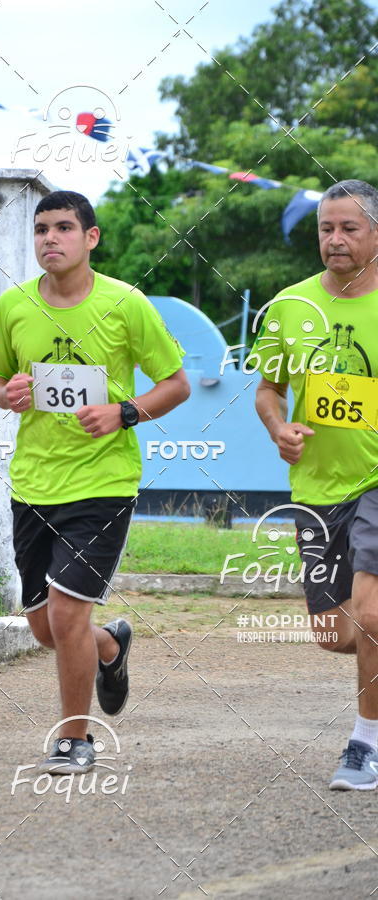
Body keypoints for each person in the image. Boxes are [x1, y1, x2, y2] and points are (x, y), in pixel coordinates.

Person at [0, 190, 190, 774]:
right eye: (42, 229)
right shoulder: (13, 306)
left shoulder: (126, 304)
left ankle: (75, 738)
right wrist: (8, 394)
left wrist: (124, 413)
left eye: (64, 228)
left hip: (104, 484)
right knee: (47, 630)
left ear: (90, 238)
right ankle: (111, 646)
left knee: (68, 617)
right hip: (33, 485)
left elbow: (175, 384)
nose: (51, 238)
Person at [252, 179, 378, 790]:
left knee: (374, 612)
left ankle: (365, 745)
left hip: (376, 480)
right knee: (335, 634)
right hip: (316, 488)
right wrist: (279, 429)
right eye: (326, 228)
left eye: (348, 228)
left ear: (374, 234)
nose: (334, 239)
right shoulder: (287, 308)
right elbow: (268, 391)